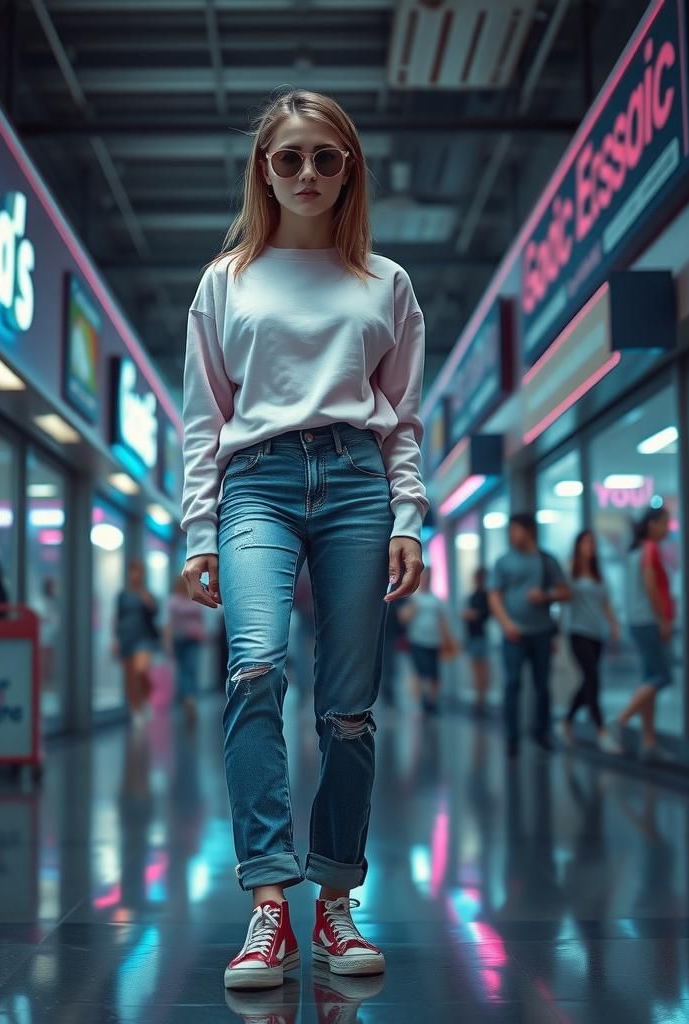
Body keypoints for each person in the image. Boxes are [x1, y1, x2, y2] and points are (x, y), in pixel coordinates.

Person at [179, 89, 427, 990]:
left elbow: (402, 421)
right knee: (254, 668)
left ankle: (335, 896)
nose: (310, 173)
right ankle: (270, 906)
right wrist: (196, 531)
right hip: (257, 484)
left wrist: (410, 516)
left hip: (359, 484)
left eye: (326, 157)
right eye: (290, 158)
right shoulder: (226, 280)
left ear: (349, 166)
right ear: (264, 170)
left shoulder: (385, 283)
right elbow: (203, 417)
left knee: (348, 705)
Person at [488, 513, 570, 758]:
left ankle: (542, 733)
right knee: (512, 683)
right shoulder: (503, 562)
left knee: (542, 685)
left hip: (542, 632)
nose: (512, 535)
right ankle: (512, 738)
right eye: (511, 530)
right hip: (514, 633)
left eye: (516, 530)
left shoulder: (547, 560)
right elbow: (494, 596)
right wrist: (506, 624)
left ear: (530, 531)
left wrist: (545, 596)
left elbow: (566, 592)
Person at [610, 506, 674, 761]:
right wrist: (663, 620)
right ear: (652, 525)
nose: (668, 528)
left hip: (638, 621)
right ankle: (621, 720)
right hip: (648, 621)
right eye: (665, 523)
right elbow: (650, 585)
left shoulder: (636, 550)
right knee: (661, 676)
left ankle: (649, 742)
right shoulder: (649, 549)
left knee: (650, 677)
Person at [560, 530, 622, 753]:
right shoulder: (570, 573)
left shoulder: (598, 575)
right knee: (592, 680)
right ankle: (602, 732)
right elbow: (562, 598)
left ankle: (566, 721)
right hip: (577, 632)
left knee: (589, 681)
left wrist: (614, 625)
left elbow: (606, 603)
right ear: (578, 546)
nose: (589, 547)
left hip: (597, 633)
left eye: (592, 543)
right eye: (585, 542)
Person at [398, 569, 456, 715]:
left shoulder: (437, 600)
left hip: (434, 641)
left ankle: (432, 701)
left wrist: (448, 639)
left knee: (434, 673)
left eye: (428, 578)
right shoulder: (413, 599)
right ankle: (424, 701)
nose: (426, 581)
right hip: (417, 641)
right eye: (424, 578)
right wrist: (413, 608)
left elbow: (443, 622)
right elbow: (403, 618)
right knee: (422, 672)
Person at [115, 559, 159, 723]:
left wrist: (147, 600)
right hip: (126, 637)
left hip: (144, 638)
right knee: (130, 677)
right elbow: (118, 618)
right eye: (133, 571)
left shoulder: (148, 594)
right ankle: (135, 710)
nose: (136, 575)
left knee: (141, 671)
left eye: (139, 571)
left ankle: (146, 700)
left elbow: (155, 613)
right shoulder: (122, 595)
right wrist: (116, 639)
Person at [165, 574, 205, 725]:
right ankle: (189, 698)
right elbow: (169, 624)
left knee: (186, 670)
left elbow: (170, 624)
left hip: (187, 639)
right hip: (184, 639)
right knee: (188, 670)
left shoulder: (183, 599)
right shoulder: (182, 600)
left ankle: (188, 698)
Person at [461, 567, 491, 717]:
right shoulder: (473, 596)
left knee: (482, 672)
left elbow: (485, 615)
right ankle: (478, 701)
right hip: (472, 636)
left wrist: (474, 615)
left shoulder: (487, 596)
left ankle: (481, 700)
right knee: (476, 672)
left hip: (481, 636)